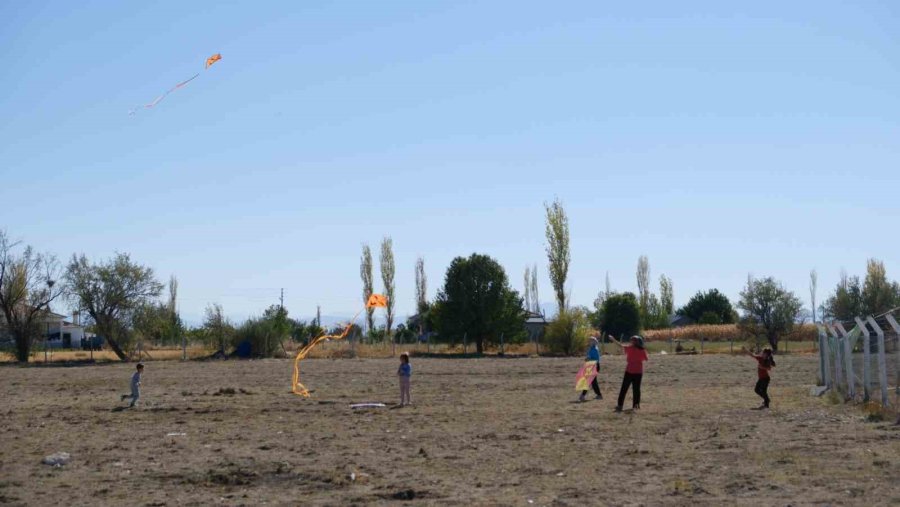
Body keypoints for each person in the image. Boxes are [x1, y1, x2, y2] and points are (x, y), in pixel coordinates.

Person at [612, 335, 648, 412]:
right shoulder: (642, 350)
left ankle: (621, 405)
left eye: (632, 340)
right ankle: (635, 405)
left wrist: (613, 339)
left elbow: (620, 345)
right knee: (636, 389)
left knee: (625, 389)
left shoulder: (630, 348)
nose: (631, 342)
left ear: (635, 342)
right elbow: (645, 359)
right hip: (637, 372)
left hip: (630, 371)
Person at [578, 335, 602, 402]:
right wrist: (587, 359)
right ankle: (599, 395)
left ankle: (582, 395)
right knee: (593, 382)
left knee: (589, 381)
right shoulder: (591, 348)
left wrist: (589, 359)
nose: (589, 342)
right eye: (589, 340)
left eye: (590, 341)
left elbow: (597, 359)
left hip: (595, 366)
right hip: (591, 365)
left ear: (594, 342)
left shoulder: (595, 349)